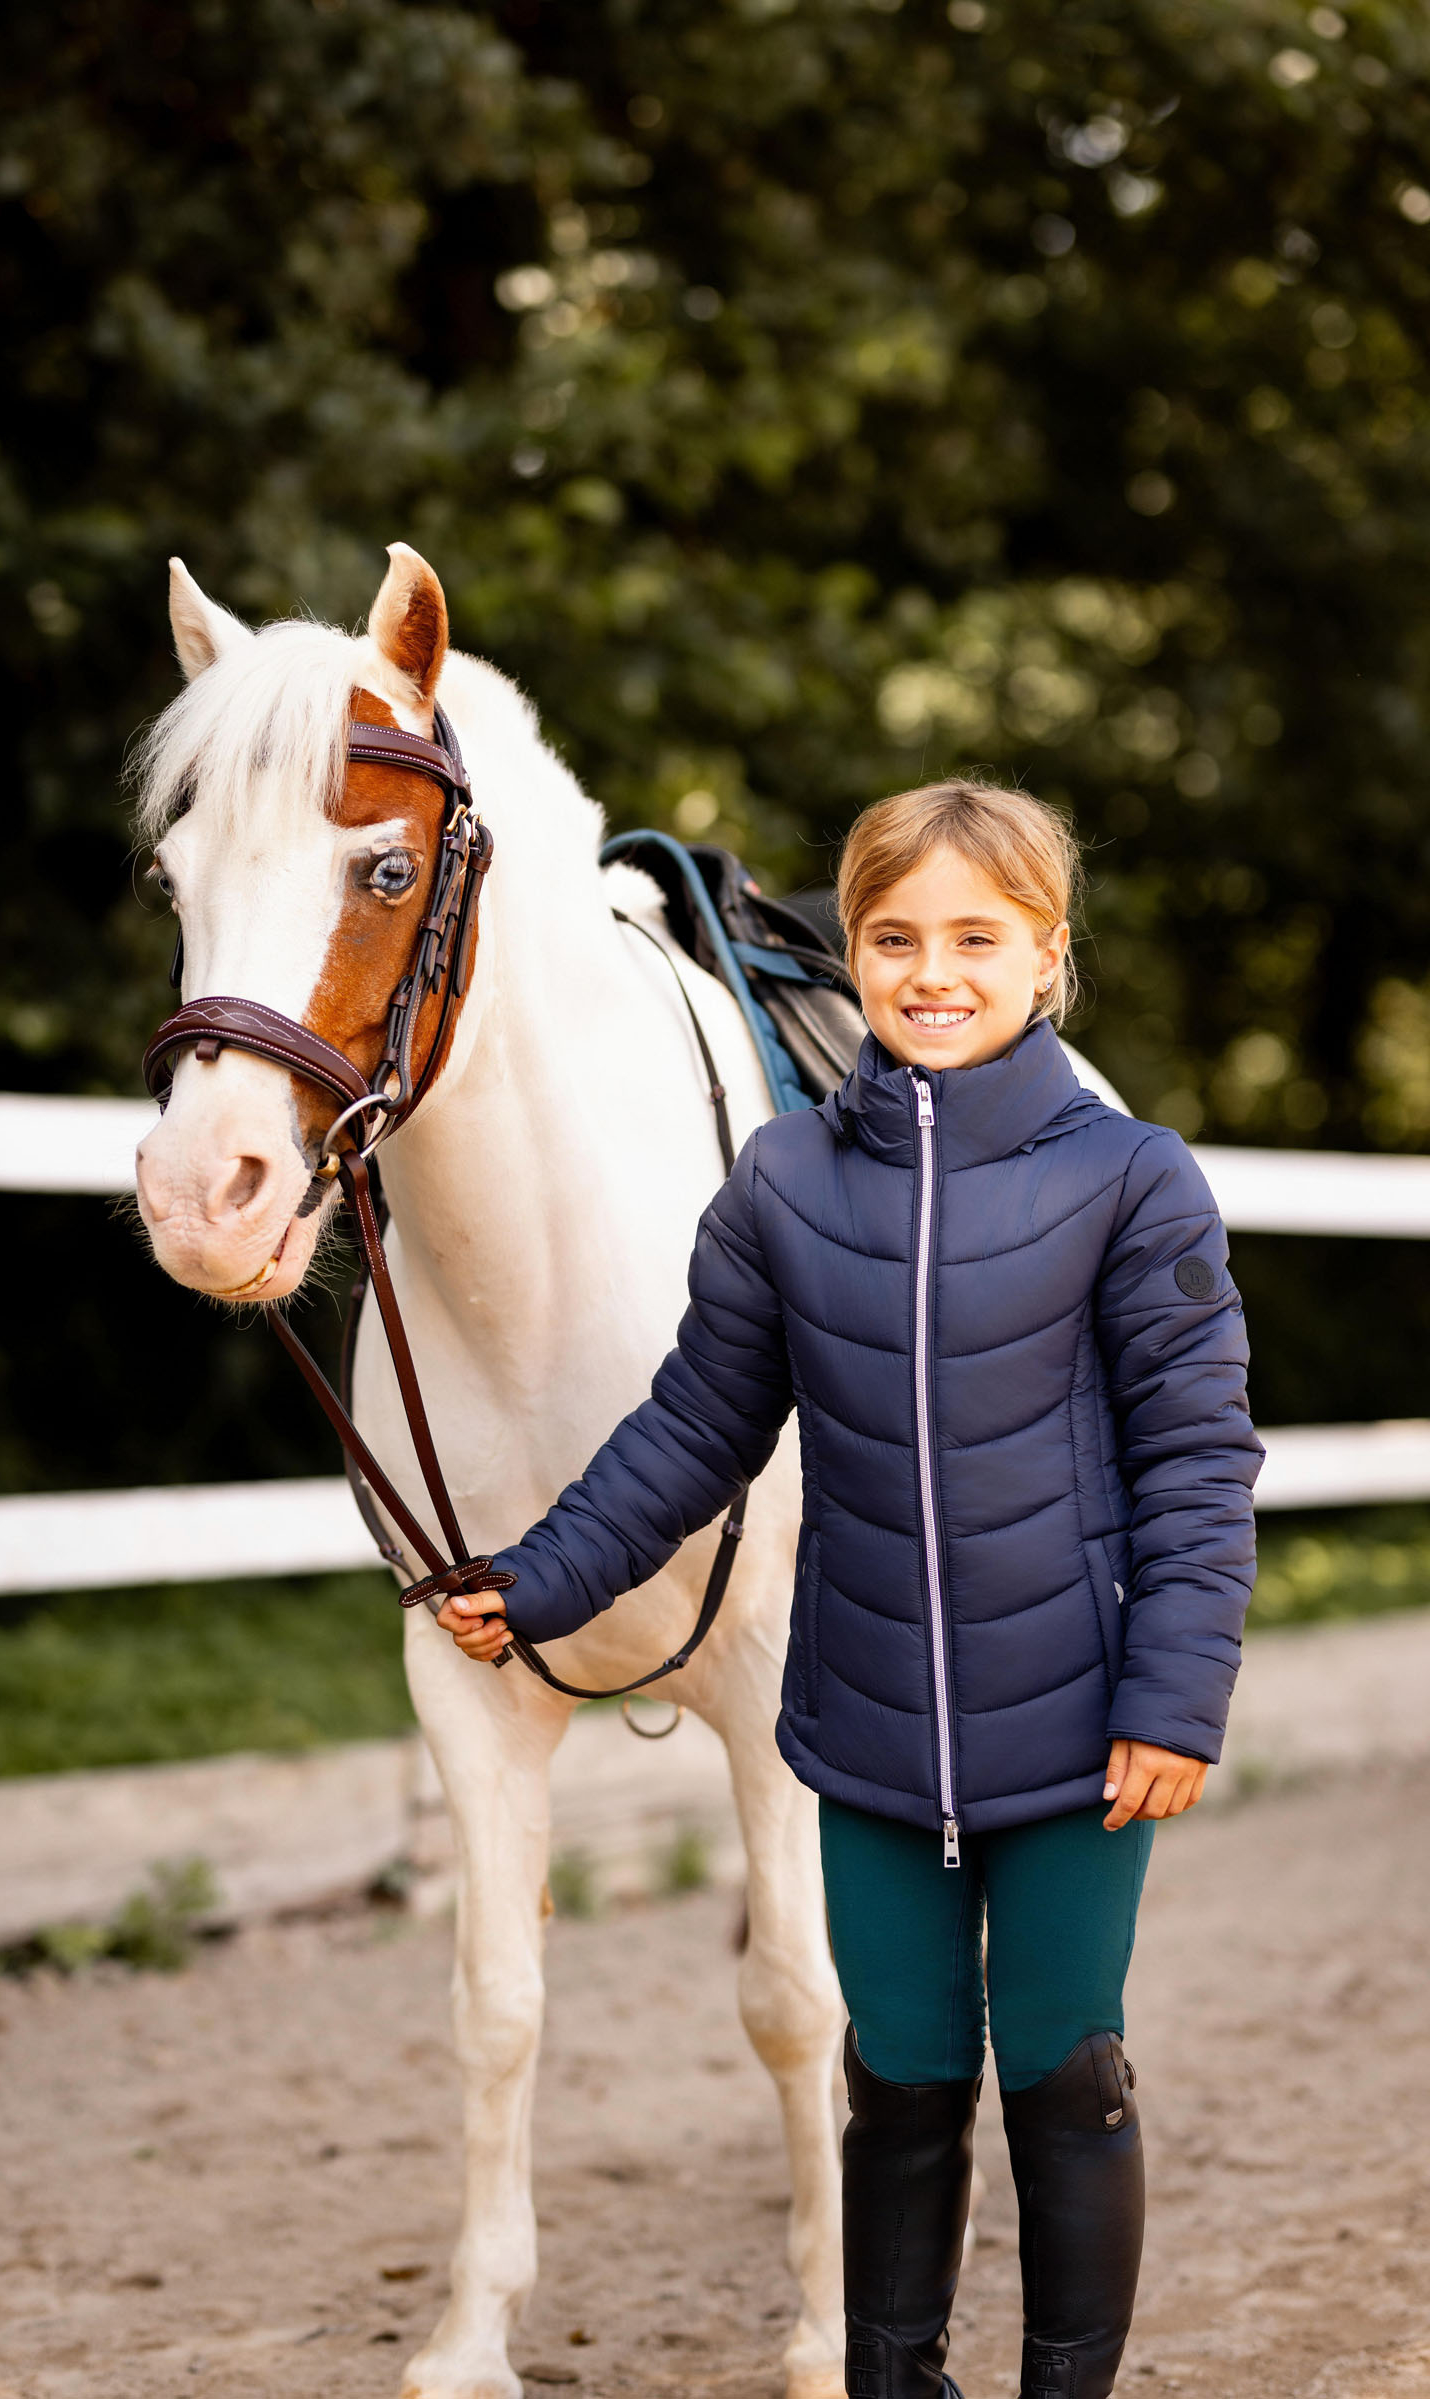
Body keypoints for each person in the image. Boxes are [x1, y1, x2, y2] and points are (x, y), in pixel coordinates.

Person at [439, 778, 1262, 2399]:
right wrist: (541, 1582)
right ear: (855, 954)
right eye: (893, 937)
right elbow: (693, 1428)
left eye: (977, 937)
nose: (931, 971)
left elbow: (1199, 1464)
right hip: (869, 1733)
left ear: (1048, 958)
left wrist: (1175, 1696)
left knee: (1062, 2069)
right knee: (897, 2075)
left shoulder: (1133, 1182)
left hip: (1085, 1738)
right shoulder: (782, 1187)